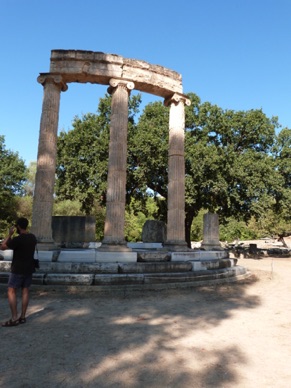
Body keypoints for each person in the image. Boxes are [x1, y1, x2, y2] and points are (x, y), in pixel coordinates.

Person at [0, 217, 37, 327]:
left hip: (17, 269)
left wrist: (10, 234)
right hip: (29, 268)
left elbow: (2, 247)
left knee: (11, 291)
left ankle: (14, 317)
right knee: (25, 291)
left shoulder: (17, 239)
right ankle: (23, 316)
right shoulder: (32, 237)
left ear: (18, 227)